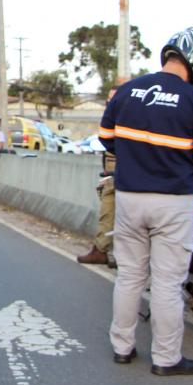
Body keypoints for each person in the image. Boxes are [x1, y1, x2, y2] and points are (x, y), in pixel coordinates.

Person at [99, 27, 193, 376]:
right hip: (172, 202)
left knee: (129, 276)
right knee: (167, 283)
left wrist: (137, 157)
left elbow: (106, 137)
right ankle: (166, 359)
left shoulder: (127, 91)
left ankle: (122, 348)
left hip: (129, 198)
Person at [78, 87, 119, 268]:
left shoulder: (129, 117)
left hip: (123, 172)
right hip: (111, 171)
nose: (110, 103)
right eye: (109, 100)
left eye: (113, 99)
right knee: (109, 209)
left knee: (111, 209)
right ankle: (101, 250)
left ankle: (102, 250)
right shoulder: (114, 117)